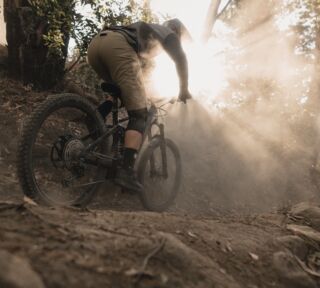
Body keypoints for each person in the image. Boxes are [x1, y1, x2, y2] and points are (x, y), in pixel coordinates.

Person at [87, 19, 192, 193]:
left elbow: (134, 73)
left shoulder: (147, 35)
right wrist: (183, 90)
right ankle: (126, 172)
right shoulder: (169, 34)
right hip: (117, 46)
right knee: (139, 116)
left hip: (96, 46)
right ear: (177, 31)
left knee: (118, 93)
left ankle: (94, 120)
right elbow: (181, 58)